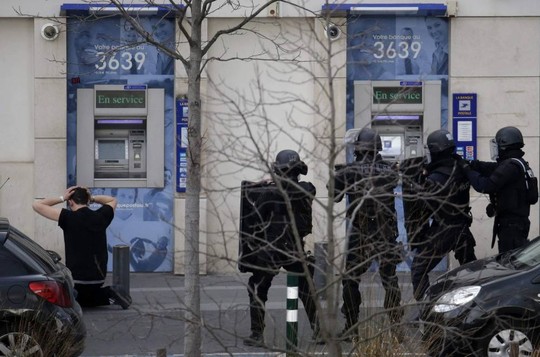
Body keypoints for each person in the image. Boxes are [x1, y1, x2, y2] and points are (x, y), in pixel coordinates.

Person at [242, 150, 321, 347]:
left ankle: (257, 333)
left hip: (271, 250)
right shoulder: (306, 189)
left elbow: (253, 219)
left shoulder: (269, 192)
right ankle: (319, 330)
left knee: (257, 288)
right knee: (307, 290)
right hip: (295, 249)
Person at [333, 128, 403, 341]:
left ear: (359, 148)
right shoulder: (389, 170)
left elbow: (333, 195)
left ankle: (352, 327)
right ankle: (396, 328)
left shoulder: (350, 172)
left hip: (360, 234)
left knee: (350, 280)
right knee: (390, 280)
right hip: (385, 233)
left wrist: (340, 174)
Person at [32, 186, 131, 309]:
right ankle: (107, 294)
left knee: (67, 301)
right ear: (87, 201)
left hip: (76, 278)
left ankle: (106, 294)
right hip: (99, 276)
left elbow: (37, 205)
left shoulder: (68, 217)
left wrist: (62, 197)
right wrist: (92, 197)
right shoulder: (100, 216)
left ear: (70, 201)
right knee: (79, 298)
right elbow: (112, 200)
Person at [410, 130, 477, 301]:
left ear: (435, 151)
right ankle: (477, 305)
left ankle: (428, 311)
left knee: (419, 269)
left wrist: (416, 179)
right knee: (473, 271)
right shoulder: (461, 167)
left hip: (444, 230)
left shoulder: (437, 177)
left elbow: (420, 204)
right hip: (462, 226)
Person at [458, 126, 536, 253]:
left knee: (510, 266)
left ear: (504, 145)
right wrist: (471, 164)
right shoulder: (517, 163)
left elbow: (484, 186)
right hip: (516, 224)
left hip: (511, 228)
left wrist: (467, 170)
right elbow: (491, 168)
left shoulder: (510, 167)